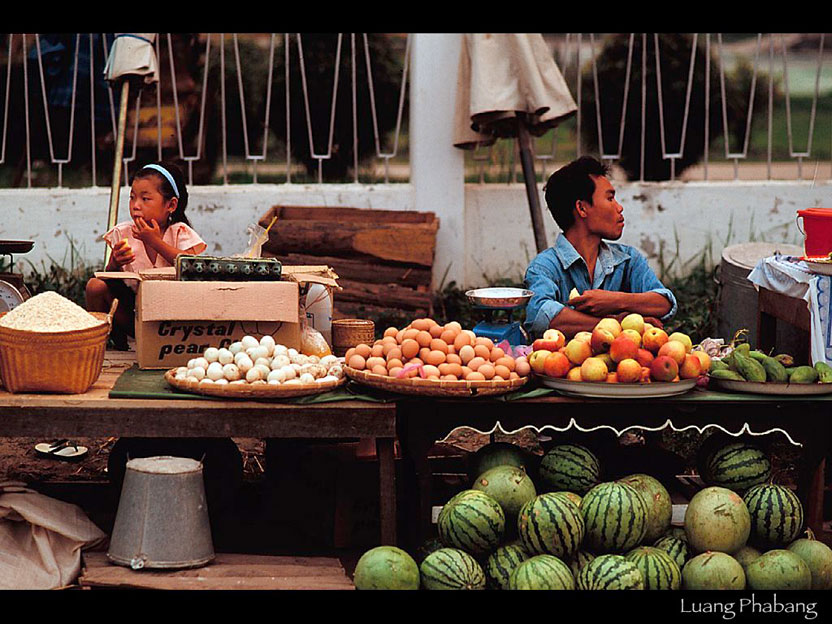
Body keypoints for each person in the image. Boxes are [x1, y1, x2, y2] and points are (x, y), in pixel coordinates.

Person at [524, 156, 677, 339]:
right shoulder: (545, 267)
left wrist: (614, 301)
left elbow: (664, 303)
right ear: (582, 208)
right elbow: (540, 315)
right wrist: (615, 324)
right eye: (610, 198)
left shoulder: (628, 259)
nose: (619, 207)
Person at [86, 160, 207, 350]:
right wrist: (115, 263)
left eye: (145, 199)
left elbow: (193, 266)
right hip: (135, 317)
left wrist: (154, 241)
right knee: (95, 286)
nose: (135, 206)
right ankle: (106, 343)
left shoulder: (180, 233)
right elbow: (110, 278)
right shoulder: (124, 232)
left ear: (171, 205)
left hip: (173, 319)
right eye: (132, 197)